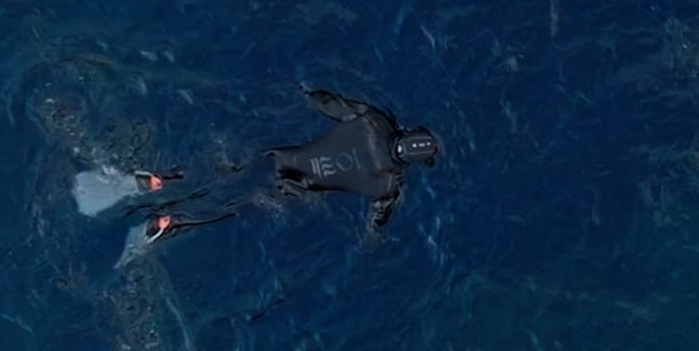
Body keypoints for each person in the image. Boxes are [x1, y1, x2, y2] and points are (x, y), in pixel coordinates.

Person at [78, 89, 442, 249]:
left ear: (404, 132)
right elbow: (377, 220)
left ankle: (159, 181)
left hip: (276, 158)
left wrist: (303, 90)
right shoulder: (388, 184)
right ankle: (171, 223)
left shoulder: (373, 120)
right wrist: (373, 241)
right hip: (289, 190)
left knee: (222, 170)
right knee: (232, 207)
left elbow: (325, 101)